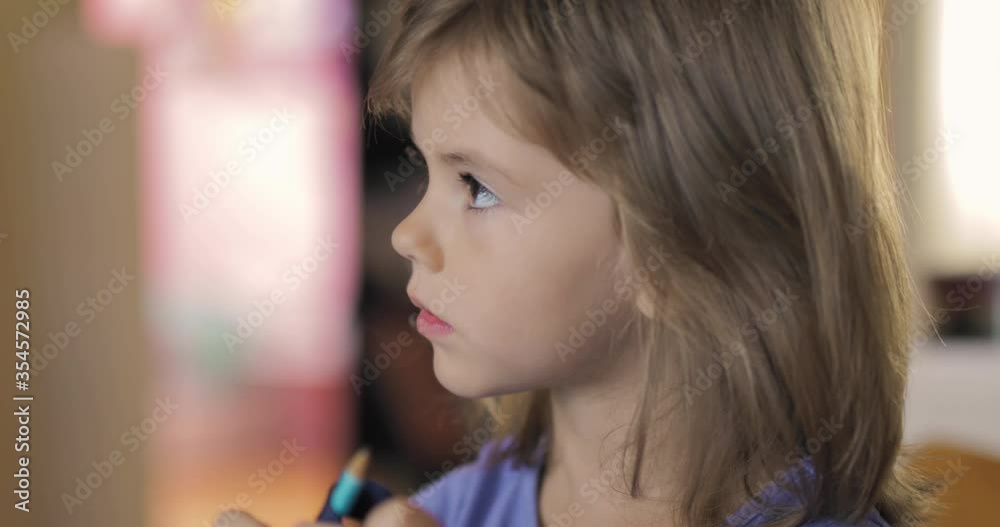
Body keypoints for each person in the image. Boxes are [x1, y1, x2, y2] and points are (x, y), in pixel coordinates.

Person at [228, 0, 935, 525]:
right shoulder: (449, 511)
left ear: (677, 246)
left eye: (476, 187)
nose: (408, 234)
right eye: (427, 170)